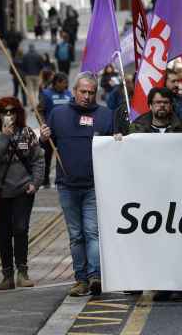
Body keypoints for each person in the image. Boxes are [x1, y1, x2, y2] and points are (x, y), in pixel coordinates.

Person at [40, 72, 114, 298]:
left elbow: (115, 150)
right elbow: (45, 149)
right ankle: (80, 279)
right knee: (76, 235)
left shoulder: (106, 115)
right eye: (83, 91)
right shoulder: (58, 114)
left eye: (91, 92)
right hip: (67, 185)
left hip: (94, 184)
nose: (87, 96)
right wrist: (43, 139)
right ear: (74, 91)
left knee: (92, 232)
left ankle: (95, 276)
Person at [127, 87, 182, 302]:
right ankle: (161, 284)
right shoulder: (137, 128)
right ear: (150, 105)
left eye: (165, 102)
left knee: (176, 242)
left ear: (170, 105)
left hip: (175, 195)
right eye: (157, 102)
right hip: (148, 196)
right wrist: (117, 142)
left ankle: (177, 285)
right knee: (153, 242)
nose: (161, 106)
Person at [0, 97, 44, 290]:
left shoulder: (26, 133)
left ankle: (23, 272)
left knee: (20, 229)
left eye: (12, 111)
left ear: (18, 113)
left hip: (22, 191)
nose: (8, 115)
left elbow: (38, 159)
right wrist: (4, 137)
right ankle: (7, 275)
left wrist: (35, 183)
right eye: (4, 112)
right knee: (3, 234)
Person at [38, 73, 72, 187]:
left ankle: (62, 179)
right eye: (64, 83)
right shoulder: (46, 94)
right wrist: (43, 125)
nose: (66, 85)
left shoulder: (68, 94)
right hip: (50, 132)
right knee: (46, 156)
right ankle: (45, 179)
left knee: (65, 156)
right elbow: (40, 111)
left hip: (65, 132)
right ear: (57, 83)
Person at [21, 45, 44, 111]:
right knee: (36, 90)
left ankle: (33, 105)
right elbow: (42, 66)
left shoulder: (25, 56)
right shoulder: (38, 56)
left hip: (28, 75)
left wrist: (25, 73)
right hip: (37, 75)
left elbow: (23, 66)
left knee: (30, 91)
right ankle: (36, 103)